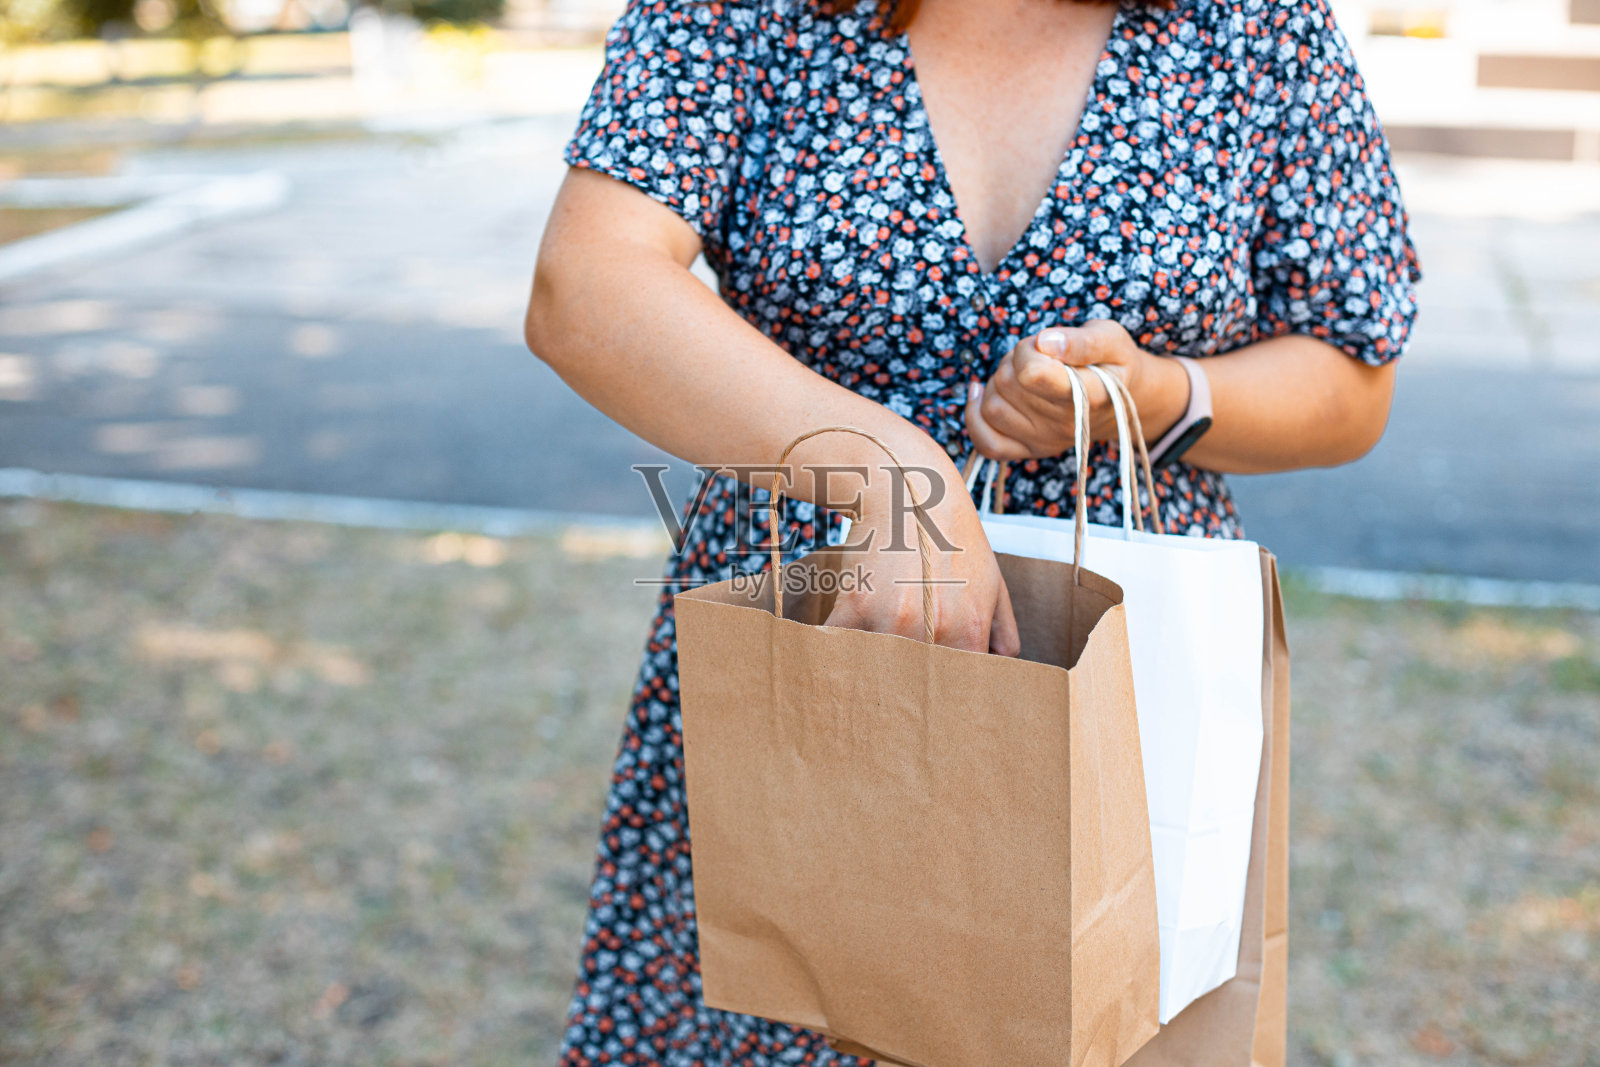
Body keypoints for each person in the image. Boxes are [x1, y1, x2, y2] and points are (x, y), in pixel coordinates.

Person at [525, 0, 1420, 1060]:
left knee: (1099, 1007)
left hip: (1119, 669)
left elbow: (1353, 376)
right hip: (807, 637)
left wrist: (1155, 395)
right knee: (773, 1007)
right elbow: (584, 285)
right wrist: (892, 468)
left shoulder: (1253, 24)